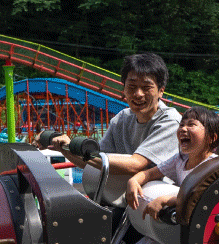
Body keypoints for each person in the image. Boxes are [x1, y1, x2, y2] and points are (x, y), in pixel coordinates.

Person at [109, 107, 219, 244]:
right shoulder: (180, 160)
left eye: (191, 125)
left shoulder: (212, 166)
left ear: (211, 138)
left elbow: (198, 193)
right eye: (182, 124)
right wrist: (134, 181)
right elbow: (150, 173)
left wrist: (167, 200)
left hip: (196, 236)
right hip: (176, 230)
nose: (183, 129)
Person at [48, 53, 181, 199]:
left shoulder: (170, 121)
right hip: (127, 198)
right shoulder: (122, 119)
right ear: (123, 88)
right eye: (131, 86)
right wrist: (65, 149)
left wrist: (79, 149)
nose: (138, 94)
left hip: (159, 204)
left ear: (161, 90)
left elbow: (136, 164)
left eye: (146, 87)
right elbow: (95, 163)